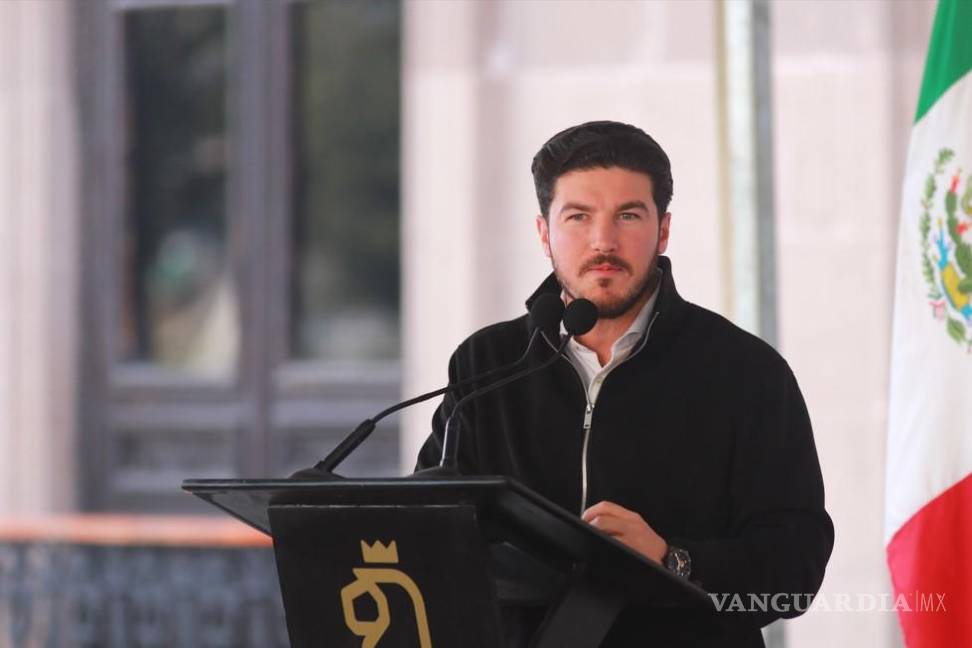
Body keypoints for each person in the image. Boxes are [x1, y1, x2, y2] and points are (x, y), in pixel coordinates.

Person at [415, 120, 834, 646]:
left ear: (663, 231)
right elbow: (430, 531)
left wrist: (672, 559)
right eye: (578, 217)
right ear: (544, 233)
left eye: (628, 216)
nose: (603, 241)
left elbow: (794, 574)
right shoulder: (486, 363)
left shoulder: (746, 371)